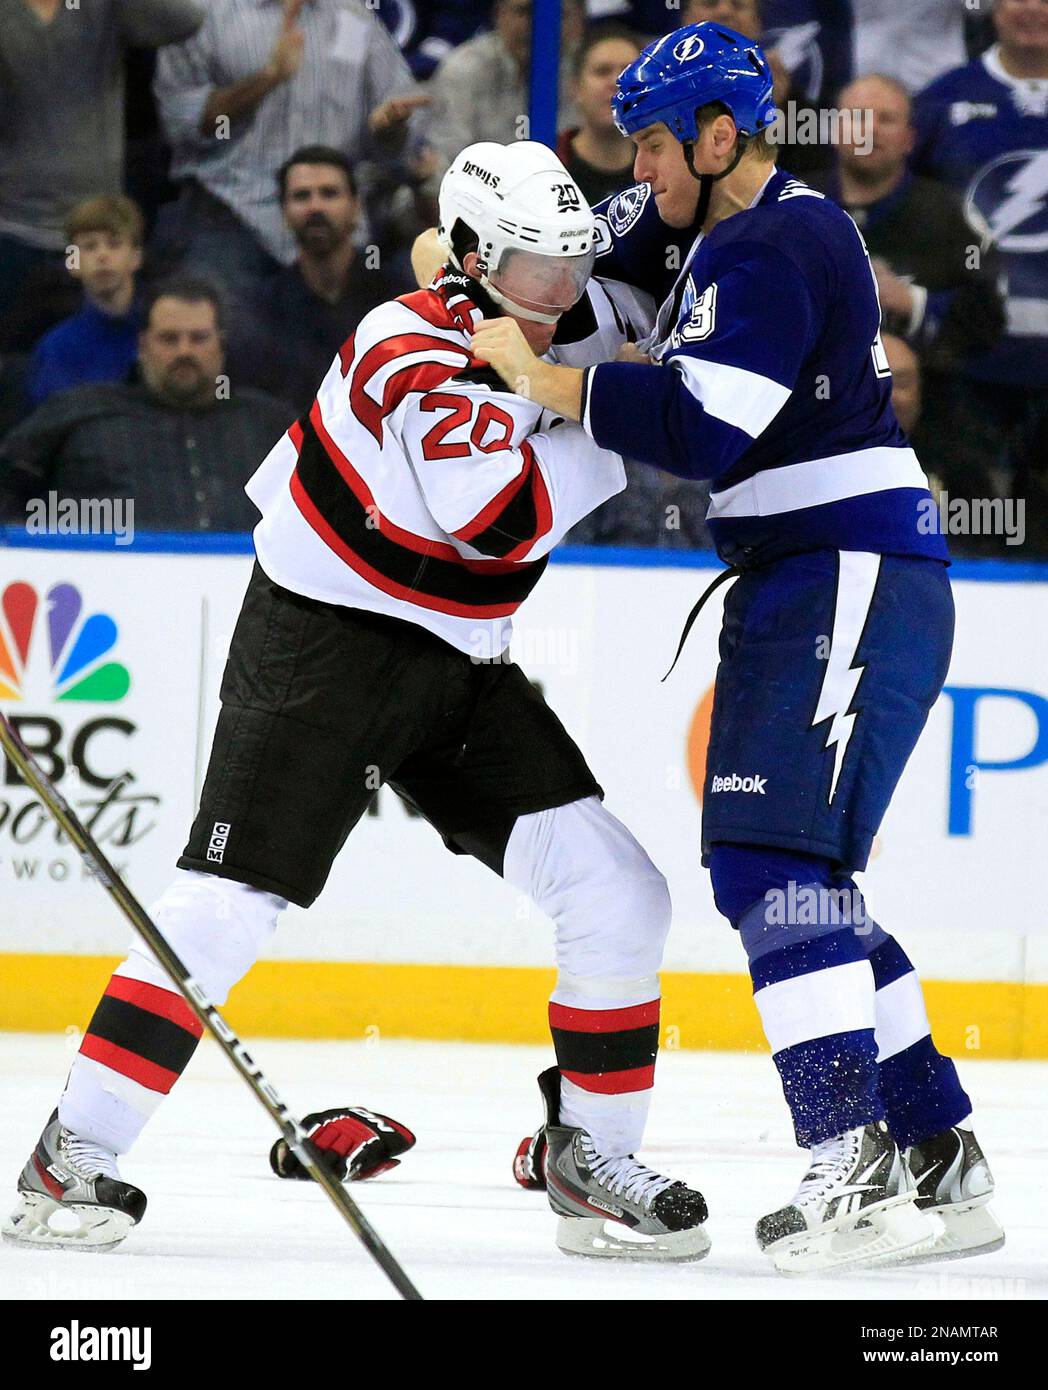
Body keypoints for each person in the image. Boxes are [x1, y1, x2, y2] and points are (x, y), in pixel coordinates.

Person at [3, 143, 710, 1264]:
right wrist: (609, 415)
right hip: (319, 651)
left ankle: (590, 1157)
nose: (564, 291)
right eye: (538, 265)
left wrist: (582, 372)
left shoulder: (540, 316)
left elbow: (613, 321)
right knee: (224, 906)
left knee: (621, 894)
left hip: (458, 665)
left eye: (574, 263)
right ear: (476, 259)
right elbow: (494, 512)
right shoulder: (404, 345)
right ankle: (70, 1155)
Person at [469, 22, 1004, 1274]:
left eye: (654, 143)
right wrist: (478, 268)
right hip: (820, 579)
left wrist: (533, 379)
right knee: (800, 880)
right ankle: (936, 1152)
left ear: (721, 136)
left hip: (840, 576)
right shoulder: (710, 222)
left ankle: (853, 1171)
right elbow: (595, 259)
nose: (637, 168)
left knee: (769, 868)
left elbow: (706, 425)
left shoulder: (779, 239)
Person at [152, 0, 427, 305]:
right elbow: (181, 123)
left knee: (375, 332)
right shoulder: (202, 15)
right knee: (215, 327)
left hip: (334, 218)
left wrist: (389, 130)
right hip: (232, 208)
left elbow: (403, 127)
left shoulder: (354, 16)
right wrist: (268, 78)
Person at [812, 74, 1006, 492]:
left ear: (910, 138)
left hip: (933, 432)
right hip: (806, 421)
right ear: (832, 129)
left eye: (886, 119)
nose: (869, 130)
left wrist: (913, 303)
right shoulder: (793, 207)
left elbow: (989, 320)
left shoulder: (949, 217)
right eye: (857, 117)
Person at [2, 278, 290, 531]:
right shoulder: (82, 412)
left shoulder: (267, 426)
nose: (185, 351)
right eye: (169, 339)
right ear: (142, 346)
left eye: (199, 338)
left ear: (222, 344)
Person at [912, 0, 1048, 486]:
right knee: (974, 532)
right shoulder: (941, 101)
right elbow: (906, 212)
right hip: (966, 369)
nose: (1031, 8)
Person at [0, 0, 201, 321]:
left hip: (99, 233)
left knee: (104, 354)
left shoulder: (101, 6)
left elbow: (184, 20)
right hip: (13, 228)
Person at [239, 147, 400, 414]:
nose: (315, 206)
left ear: (356, 206)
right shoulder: (262, 308)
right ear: (283, 211)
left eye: (329, 193)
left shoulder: (396, 299)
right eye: (302, 196)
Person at [421, 0, 584, 176]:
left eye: (561, 15)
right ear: (499, 14)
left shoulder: (593, 69)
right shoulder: (465, 69)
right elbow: (442, 166)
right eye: (524, 12)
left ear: (580, 18)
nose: (538, 25)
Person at [27, 196, 147, 408]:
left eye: (114, 244)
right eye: (90, 246)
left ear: (136, 257)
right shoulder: (58, 349)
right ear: (72, 262)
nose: (102, 255)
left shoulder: (166, 336)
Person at [556, 26, 644, 207]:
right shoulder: (548, 165)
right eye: (602, 71)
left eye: (628, 72)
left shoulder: (666, 170)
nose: (616, 83)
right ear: (576, 88)